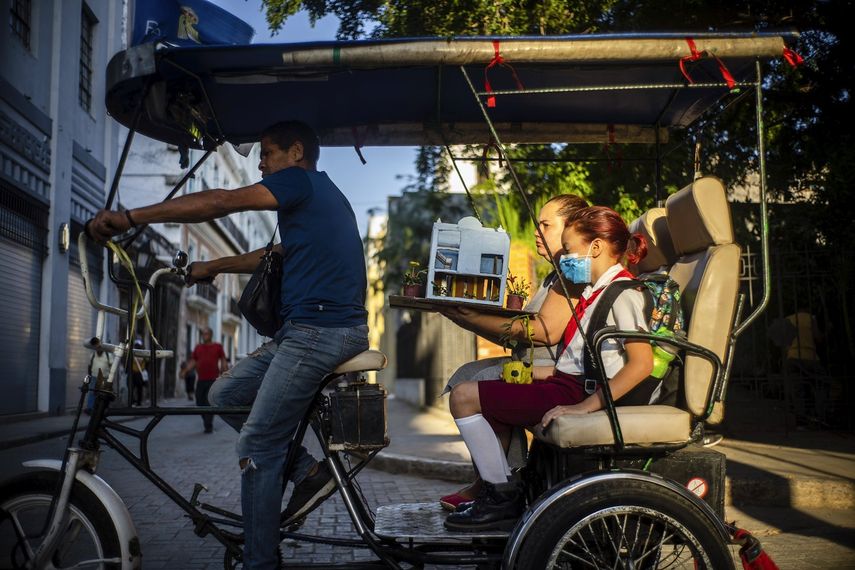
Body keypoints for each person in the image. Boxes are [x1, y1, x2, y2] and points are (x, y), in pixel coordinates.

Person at [88, 120, 369, 570]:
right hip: (307, 330)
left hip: (320, 331)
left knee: (257, 444)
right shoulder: (315, 198)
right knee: (223, 394)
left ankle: (260, 562)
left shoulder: (299, 181)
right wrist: (215, 265)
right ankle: (307, 471)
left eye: (267, 154)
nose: (260, 163)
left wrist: (130, 218)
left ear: (296, 152)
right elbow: (275, 256)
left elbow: (220, 201)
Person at [443, 206, 653, 531]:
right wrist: (525, 375)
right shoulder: (594, 294)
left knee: (463, 398)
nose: (566, 258)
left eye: (569, 251)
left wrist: (584, 406)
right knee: (475, 388)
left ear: (595, 248)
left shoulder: (623, 294)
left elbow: (641, 364)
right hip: (565, 383)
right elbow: (577, 360)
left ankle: (501, 497)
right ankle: (502, 490)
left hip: (574, 392)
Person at [436, 194, 588, 509]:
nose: (536, 231)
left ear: (572, 228)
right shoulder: (553, 274)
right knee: (468, 373)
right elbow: (525, 327)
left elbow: (545, 331)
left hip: (551, 371)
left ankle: (497, 489)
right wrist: (471, 319)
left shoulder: (570, 274)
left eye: (545, 224)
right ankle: (494, 479)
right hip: (532, 363)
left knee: (475, 386)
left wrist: (472, 318)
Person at [183, 327, 228, 433]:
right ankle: (207, 421)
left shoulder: (217, 346)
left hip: (213, 380)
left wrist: (224, 369)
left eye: (206, 334)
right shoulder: (198, 347)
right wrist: (185, 371)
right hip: (201, 380)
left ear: (211, 335)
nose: (204, 336)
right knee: (199, 402)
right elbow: (193, 361)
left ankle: (209, 425)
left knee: (208, 403)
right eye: (203, 334)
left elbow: (223, 359)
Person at [84, 340, 114, 414]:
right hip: (94, 377)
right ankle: (90, 409)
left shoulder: (108, 355)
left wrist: (111, 379)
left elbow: (112, 367)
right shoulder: (93, 355)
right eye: (96, 348)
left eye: (99, 348)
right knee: (92, 393)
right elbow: (89, 366)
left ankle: (103, 408)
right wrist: (89, 376)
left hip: (105, 378)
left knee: (104, 394)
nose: (98, 349)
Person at [129, 339, 148, 406]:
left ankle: (138, 402)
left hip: (139, 373)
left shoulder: (143, 354)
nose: (137, 347)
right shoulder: (132, 353)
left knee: (138, 388)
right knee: (132, 388)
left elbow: (147, 362)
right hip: (134, 373)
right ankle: (133, 401)